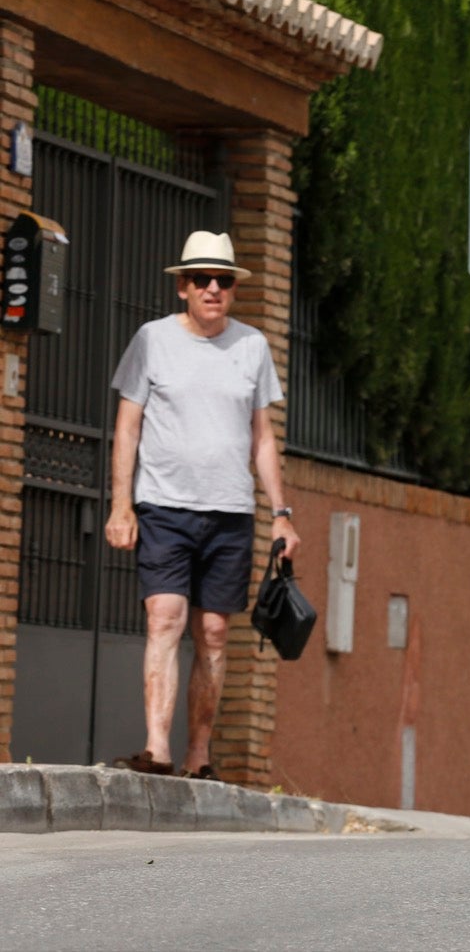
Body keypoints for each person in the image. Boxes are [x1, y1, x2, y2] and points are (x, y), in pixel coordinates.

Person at [103, 230, 300, 781]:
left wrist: (281, 514)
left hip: (230, 513)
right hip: (163, 506)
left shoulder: (252, 347)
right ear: (182, 287)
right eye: (202, 279)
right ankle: (156, 749)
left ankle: (199, 756)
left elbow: (263, 438)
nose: (214, 287)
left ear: (234, 288)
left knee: (214, 632)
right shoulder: (152, 340)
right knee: (164, 617)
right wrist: (122, 505)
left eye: (225, 279)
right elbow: (127, 426)